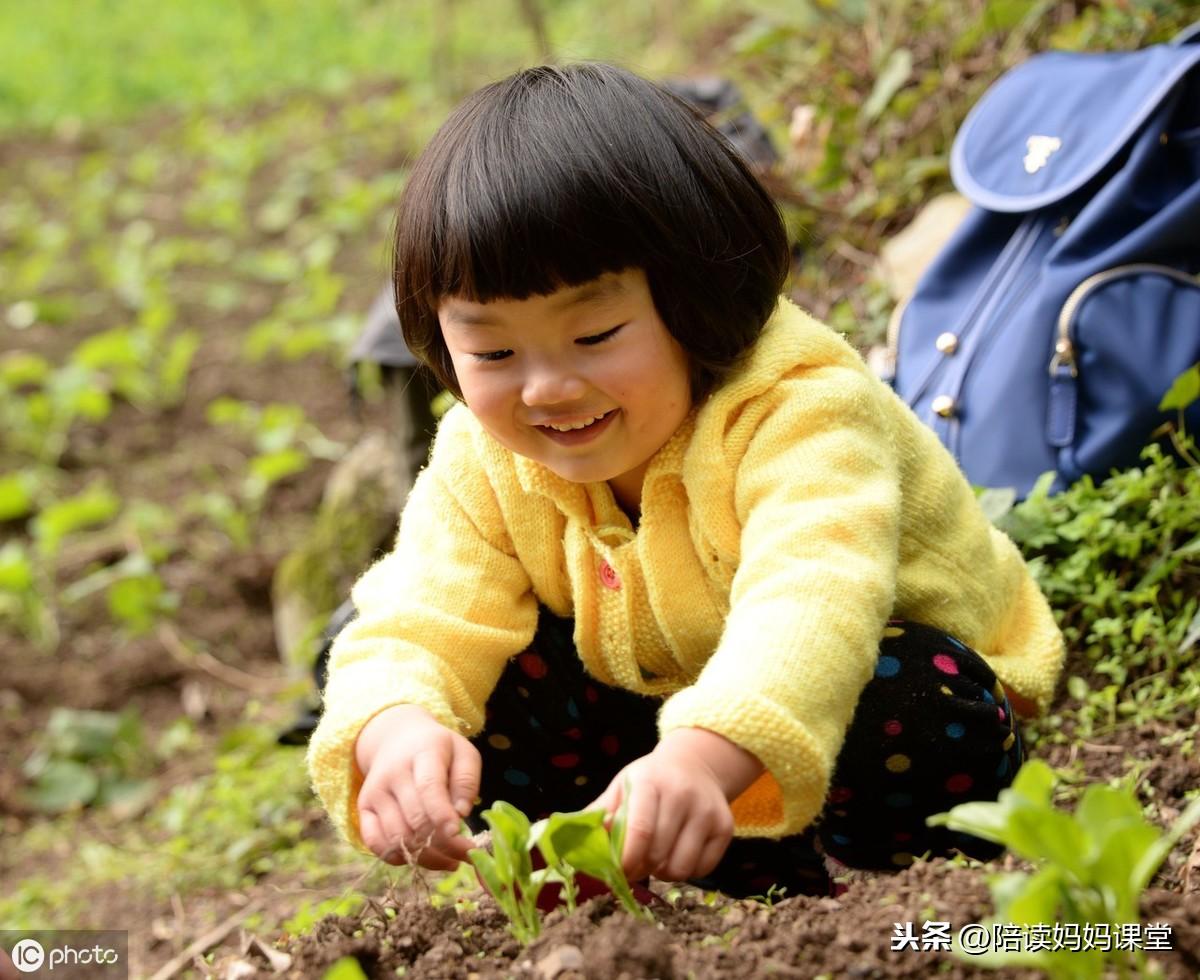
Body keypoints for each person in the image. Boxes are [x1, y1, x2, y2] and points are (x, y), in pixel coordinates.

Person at [306, 62, 1065, 899]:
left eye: (594, 334)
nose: (546, 386)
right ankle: (622, 863)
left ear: (692, 296)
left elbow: (814, 600)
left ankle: (877, 902)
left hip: (867, 732)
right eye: (492, 352)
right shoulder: (484, 457)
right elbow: (421, 614)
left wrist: (702, 757)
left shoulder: (800, 410)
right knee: (480, 693)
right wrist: (397, 728)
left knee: (913, 699)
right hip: (673, 739)